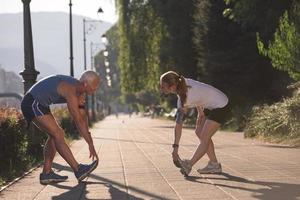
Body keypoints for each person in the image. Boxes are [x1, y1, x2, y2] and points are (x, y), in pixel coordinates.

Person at [21, 70, 100, 184]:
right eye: (94, 86)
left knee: (55, 135)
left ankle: (47, 173)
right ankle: (78, 169)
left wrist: (90, 143)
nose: (96, 89)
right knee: (57, 134)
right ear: (85, 84)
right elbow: (77, 120)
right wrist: (89, 143)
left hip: (41, 104)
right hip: (32, 102)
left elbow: (83, 117)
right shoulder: (70, 90)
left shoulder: (80, 93)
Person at [159, 71, 230, 176]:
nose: (161, 88)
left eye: (163, 86)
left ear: (173, 86)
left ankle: (189, 165)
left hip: (221, 104)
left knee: (205, 136)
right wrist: (200, 112)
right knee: (199, 132)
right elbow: (199, 94)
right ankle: (214, 164)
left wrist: (175, 148)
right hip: (210, 105)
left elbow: (178, 125)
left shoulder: (184, 98)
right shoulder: (183, 83)